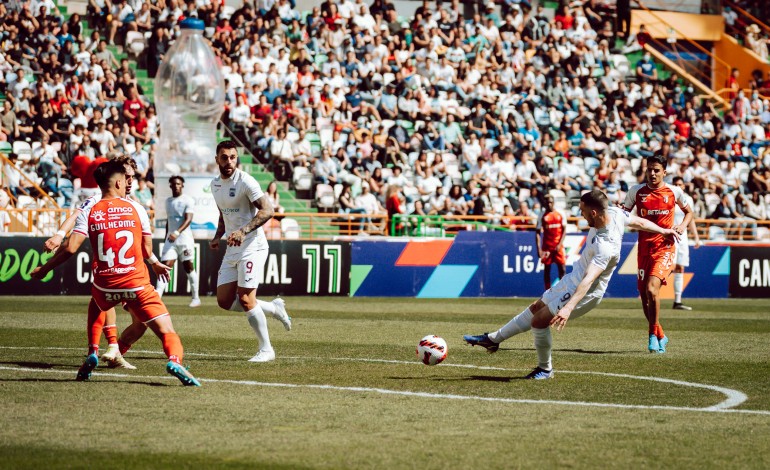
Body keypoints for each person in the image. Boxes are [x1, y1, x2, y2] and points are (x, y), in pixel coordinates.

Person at [464, 190, 681, 379]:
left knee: (539, 321)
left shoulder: (606, 247)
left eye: (583, 211)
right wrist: (664, 230)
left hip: (585, 292)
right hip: (572, 279)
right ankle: (493, 339)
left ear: (594, 213)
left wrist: (568, 308)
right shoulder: (614, 213)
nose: (581, 214)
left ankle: (545, 369)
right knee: (536, 308)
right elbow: (639, 222)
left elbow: (589, 280)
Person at [31, 160, 200, 386]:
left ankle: (95, 351)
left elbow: (71, 248)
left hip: (106, 283)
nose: (130, 181)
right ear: (120, 181)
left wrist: (45, 268)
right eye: (127, 178)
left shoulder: (91, 208)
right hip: (136, 283)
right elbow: (146, 248)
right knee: (166, 330)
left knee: (98, 303)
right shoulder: (137, 208)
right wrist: (155, 263)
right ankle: (174, 360)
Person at [43, 156, 140, 370]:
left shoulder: (134, 205)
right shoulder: (98, 200)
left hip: (133, 271)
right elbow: (77, 215)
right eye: (126, 176)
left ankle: (115, 351)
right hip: (109, 269)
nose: (130, 181)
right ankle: (101, 349)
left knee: (140, 322)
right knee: (104, 302)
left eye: (133, 176)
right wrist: (59, 235)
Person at [209, 140, 292, 363]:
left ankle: (266, 349)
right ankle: (274, 308)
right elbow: (223, 215)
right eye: (224, 157)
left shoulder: (246, 180)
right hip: (232, 247)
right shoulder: (215, 185)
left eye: (233, 157)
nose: (229, 161)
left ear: (237, 159)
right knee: (224, 301)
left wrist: (244, 231)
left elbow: (268, 210)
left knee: (246, 298)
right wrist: (218, 236)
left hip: (252, 246)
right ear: (217, 159)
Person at [623, 154, 692, 354]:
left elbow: (689, 212)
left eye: (656, 170)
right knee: (644, 294)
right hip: (644, 248)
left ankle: (652, 334)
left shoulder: (674, 191)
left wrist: (681, 226)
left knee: (653, 290)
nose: (652, 173)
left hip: (665, 247)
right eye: (649, 170)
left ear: (664, 172)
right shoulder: (636, 191)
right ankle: (661, 333)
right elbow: (625, 214)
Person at [155, 176, 201, 308]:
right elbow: (169, 222)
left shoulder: (188, 200)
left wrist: (177, 233)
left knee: (189, 268)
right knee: (164, 267)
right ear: (170, 186)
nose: (176, 186)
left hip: (184, 240)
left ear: (182, 185)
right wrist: (166, 238)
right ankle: (157, 298)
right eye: (174, 184)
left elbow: (188, 219)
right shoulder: (168, 201)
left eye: (179, 184)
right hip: (171, 241)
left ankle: (196, 298)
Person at [671, 176, 702, 310]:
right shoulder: (669, 198)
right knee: (666, 267)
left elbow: (691, 219)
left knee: (680, 267)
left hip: (683, 238)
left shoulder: (688, 200)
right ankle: (653, 296)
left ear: (684, 186)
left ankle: (677, 301)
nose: (678, 186)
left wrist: (696, 237)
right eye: (676, 184)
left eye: (680, 184)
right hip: (670, 236)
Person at [536, 194, 567, 289]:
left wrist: (560, 244)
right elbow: (537, 232)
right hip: (547, 246)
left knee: (562, 268)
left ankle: (562, 291)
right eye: (547, 202)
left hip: (558, 245)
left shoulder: (560, 213)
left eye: (550, 202)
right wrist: (539, 249)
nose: (549, 204)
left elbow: (564, 230)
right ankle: (547, 291)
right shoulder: (542, 214)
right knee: (547, 269)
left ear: (553, 203)